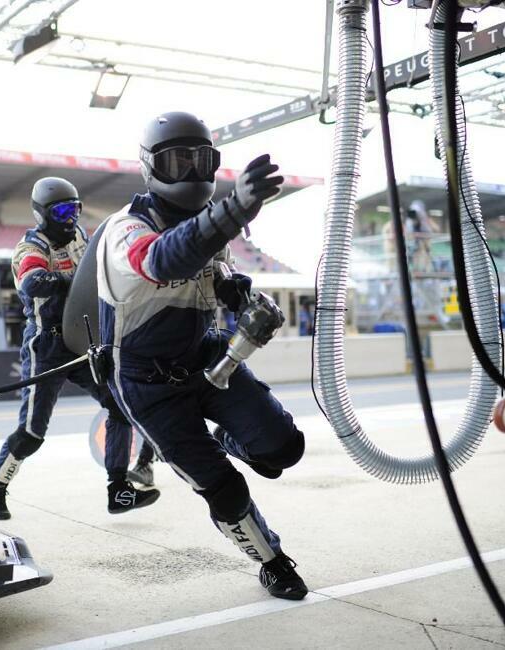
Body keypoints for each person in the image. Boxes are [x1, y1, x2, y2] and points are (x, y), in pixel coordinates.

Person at [95, 112, 307, 600]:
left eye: (202, 160)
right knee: (222, 489)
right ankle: (272, 561)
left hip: (208, 358)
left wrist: (247, 302)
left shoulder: (207, 230)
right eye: (178, 161)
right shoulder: (125, 230)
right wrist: (232, 211)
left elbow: (219, 279)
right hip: (146, 384)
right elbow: (163, 259)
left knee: (283, 450)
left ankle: (231, 441)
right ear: (150, 167)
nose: (192, 172)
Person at [0, 177, 160, 519]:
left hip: (79, 339)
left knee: (118, 405)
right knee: (32, 433)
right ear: (42, 215)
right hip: (46, 345)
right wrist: (74, 280)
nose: (70, 217)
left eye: (75, 209)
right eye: (62, 210)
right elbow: (34, 283)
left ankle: (118, 489)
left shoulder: (81, 235)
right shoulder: (31, 247)